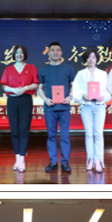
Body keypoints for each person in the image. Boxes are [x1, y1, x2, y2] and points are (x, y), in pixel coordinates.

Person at [37, 42, 76, 173]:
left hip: (64, 108)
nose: (55, 52)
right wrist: (45, 99)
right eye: (52, 50)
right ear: (48, 53)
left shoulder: (68, 68)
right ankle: (53, 161)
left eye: (57, 50)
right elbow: (40, 88)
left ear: (61, 53)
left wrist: (70, 96)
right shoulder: (43, 70)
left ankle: (65, 162)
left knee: (65, 136)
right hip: (50, 108)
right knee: (51, 135)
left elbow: (74, 85)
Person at [0, 44, 39, 173]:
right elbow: (3, 85)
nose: (19, 55)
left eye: (21, 52)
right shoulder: (8, 69)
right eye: (17, 53)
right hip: (12, 100)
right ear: (14, 54)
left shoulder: (31, 68)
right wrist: (13, 89)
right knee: (14, 130)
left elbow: (35, 84)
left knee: (24, 130)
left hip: (26, 100)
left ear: (25, 54)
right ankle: (17, 158)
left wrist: (25, 88)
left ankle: (22, 159)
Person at [72, 49, 112, 173]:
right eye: (89, 57)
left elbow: (108, 91)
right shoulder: (80, 74)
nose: (91, 59)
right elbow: (75, 91)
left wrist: (103, 97)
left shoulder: (103, 74)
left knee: (98, 133)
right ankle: (90, 159)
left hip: (99, 106)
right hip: (86, 106)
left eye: (93, 57)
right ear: (86, 59)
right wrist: (83, 96)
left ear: (97, 59)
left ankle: (98, 160)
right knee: (89, 133)